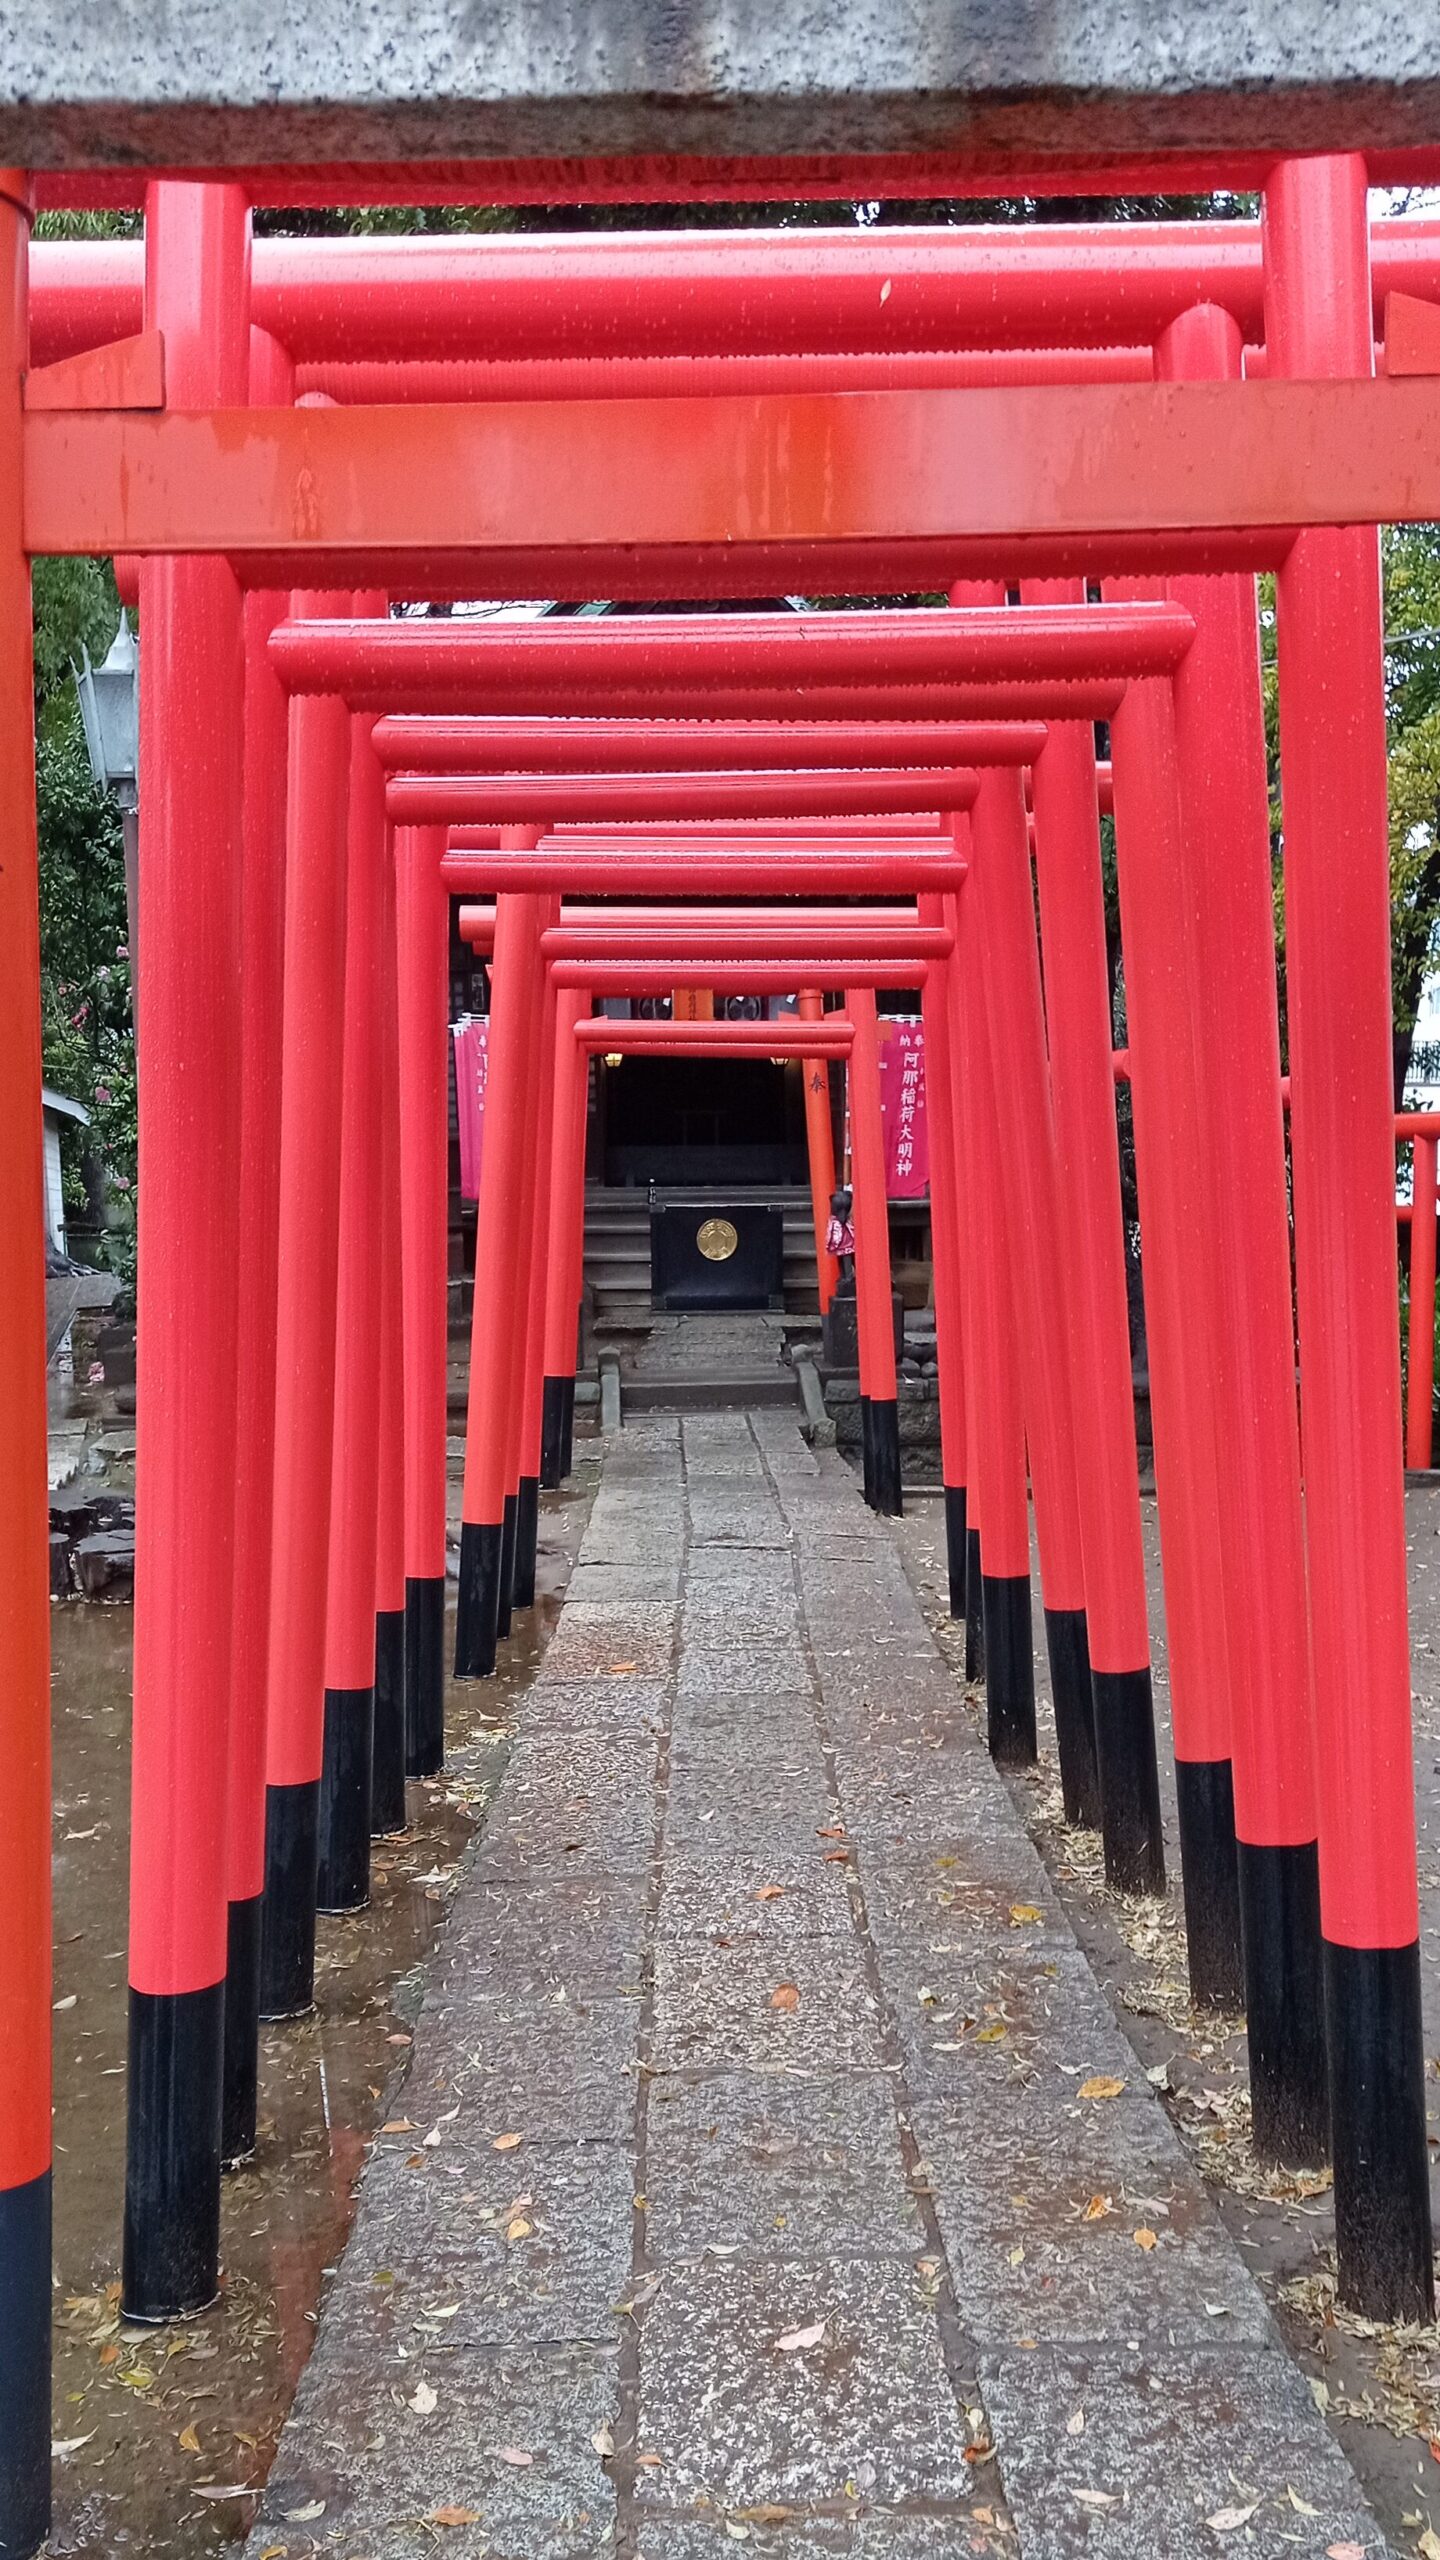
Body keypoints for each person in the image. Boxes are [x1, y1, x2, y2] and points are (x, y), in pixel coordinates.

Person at [825, 1185, 856, 1294]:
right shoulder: (836, 1220)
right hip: (842, 1242)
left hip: (844, 1242)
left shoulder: (839, 1222)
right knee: (842, 1259)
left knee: (845, 1258)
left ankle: (848, 1276)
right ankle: (844, 1276)